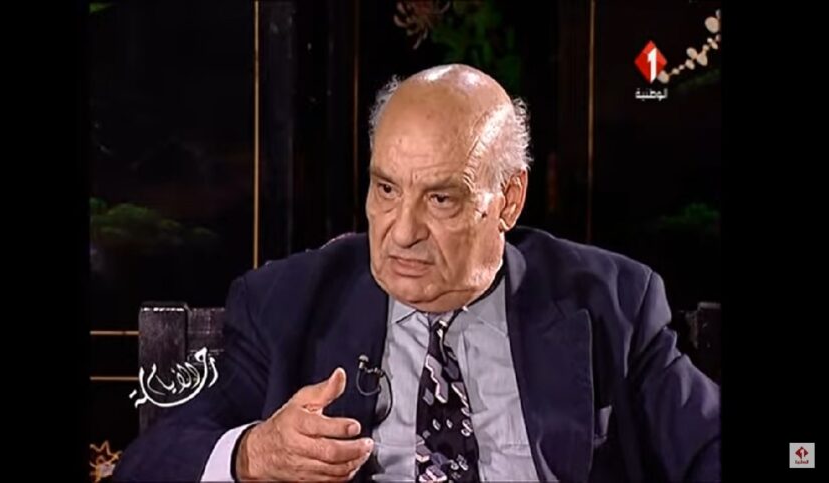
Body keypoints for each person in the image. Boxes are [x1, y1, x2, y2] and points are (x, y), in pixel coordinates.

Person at [114, 64, 720, 482]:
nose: (401, 232)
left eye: (441, 199)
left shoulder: (611, 302)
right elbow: (148, 465)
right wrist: (253, 455)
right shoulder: (288, 303)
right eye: (386, 189)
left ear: (508, 200)